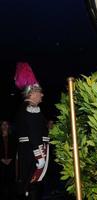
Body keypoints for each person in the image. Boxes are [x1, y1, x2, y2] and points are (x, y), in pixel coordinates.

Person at [14, 62, 50, 200]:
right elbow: (34, 134)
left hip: (26, 151)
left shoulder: (23, 108)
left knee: (28, 186)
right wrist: (40, 157)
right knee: (33, 185)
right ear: (33, 93)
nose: (42, 94)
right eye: (40, 92)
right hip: (33, 152)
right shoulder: (32, 108)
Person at [0, 120, 17, 200]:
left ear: (8, 126)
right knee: (2, 181)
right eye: (3, 124)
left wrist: (10, 158)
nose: (5, 126)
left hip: (11, 161)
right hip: (1, 162)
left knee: (11, 180)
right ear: (1, 126)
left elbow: (15, 149)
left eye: (6, 124)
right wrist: (1, 159)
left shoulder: (12, 137)